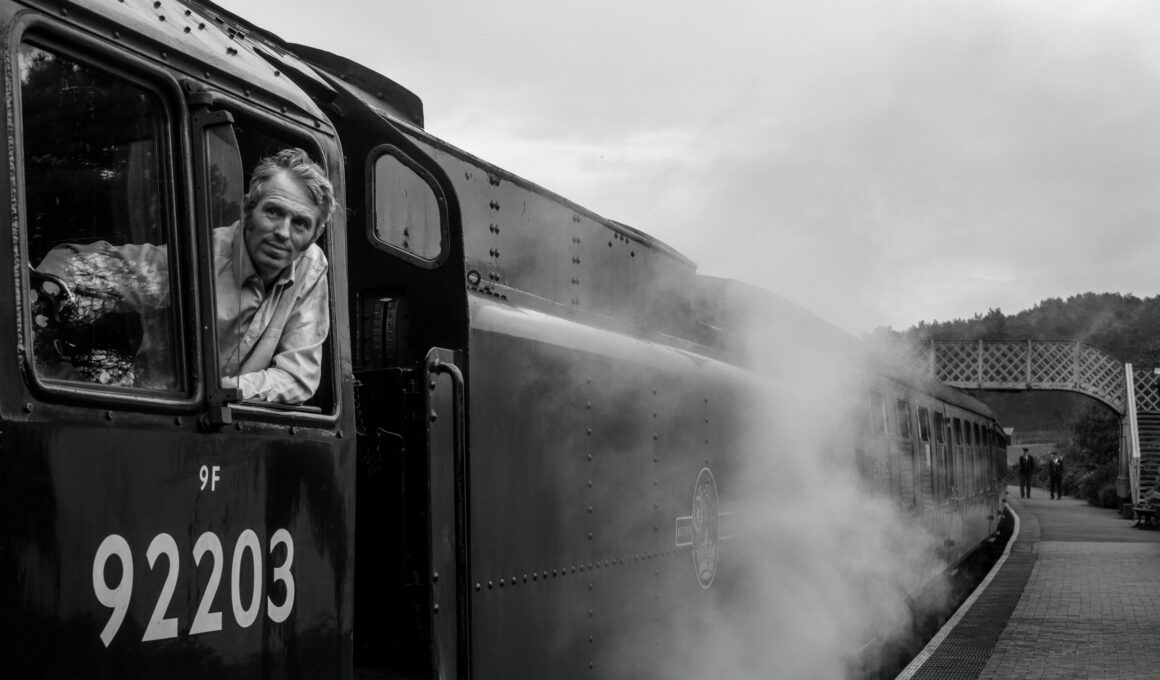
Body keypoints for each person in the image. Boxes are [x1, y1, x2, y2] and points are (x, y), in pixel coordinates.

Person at [35, 148, 336, 404]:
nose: (283, 232)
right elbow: (81, 269)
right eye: (273, 212)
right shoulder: (199, 256)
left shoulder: (311, 266)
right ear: (247, 209)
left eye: (300, 223)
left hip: (228, 425)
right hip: (161, 409)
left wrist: (228, 390)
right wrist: (44, 299)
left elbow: (298, 375)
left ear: (315, 234)